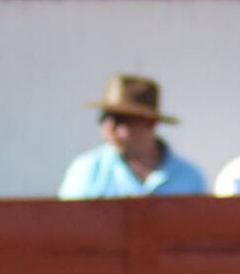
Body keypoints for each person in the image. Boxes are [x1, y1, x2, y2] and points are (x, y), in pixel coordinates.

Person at [58, 74, 206, 200]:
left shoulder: (188, 176)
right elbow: (68, 227)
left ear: (150, 123)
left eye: (120, 119)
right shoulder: (88, 170)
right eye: (105, 118)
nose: (109, 127)